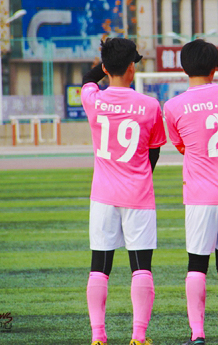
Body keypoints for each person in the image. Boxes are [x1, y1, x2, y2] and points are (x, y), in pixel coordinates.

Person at [81, 38, 167, 345]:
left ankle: (98, 336)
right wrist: (141, 174)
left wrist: (104, 65)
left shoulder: (93, 99)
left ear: (105, 68)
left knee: (99, 268)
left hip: (103, 196)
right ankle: (138, 337)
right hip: (138, 196)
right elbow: (154, 151)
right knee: (141, 268)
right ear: (132, 68)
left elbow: (87, 79)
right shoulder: (150, 105)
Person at [164, 39, 218, 345]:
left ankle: (197, 334)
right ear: (216, 67)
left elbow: (182, 147)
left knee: (197, 264)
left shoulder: (173, 106)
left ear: (184, 68)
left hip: (199, 195)